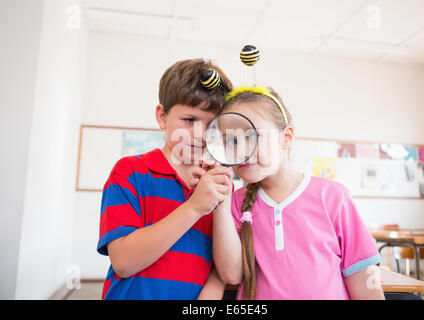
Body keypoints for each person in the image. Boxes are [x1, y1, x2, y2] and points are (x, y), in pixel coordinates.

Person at [212, 85, 385, 300]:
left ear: (286, 137)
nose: (241, 151)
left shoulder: (333, 197)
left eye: (252, 136)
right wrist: (222, 201)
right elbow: (231, 274)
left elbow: (363, 276)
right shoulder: (234, 203)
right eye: (231, 141)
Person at [97, 59, 234, 299]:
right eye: (190, 120)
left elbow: (223, 265)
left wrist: (215, 287)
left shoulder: (220, 185)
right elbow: (124, 262)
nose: (201, 134)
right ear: (162, 117)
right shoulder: (130, 172)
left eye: (212, 124)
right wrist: (195, 207)